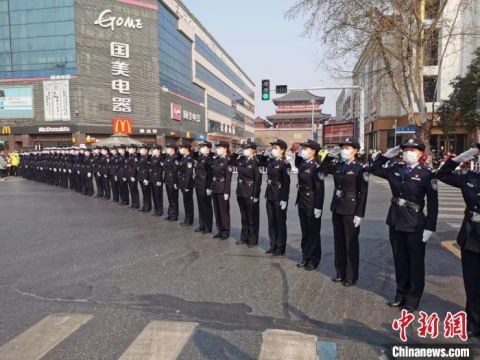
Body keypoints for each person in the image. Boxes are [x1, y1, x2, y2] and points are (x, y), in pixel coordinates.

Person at [370, 138, 438, 312]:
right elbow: (373, 168)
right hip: (395, 219)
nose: (408, 153)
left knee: (415, 262)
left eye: (412, 150)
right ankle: (400, 294)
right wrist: (385, 156)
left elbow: (433, 203)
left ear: (421, 154)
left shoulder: (427, 174)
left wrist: (430, 226)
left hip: (415, 223)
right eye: (405, 149)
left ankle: (413, 298)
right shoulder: (395, 170)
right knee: (399, 260)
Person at [437, 144, 480, 338]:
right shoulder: (470, 178)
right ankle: (473, 322)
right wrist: (458, 158)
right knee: (471, 283)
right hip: (471, 236)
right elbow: (442, 174)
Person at [320, 139, 369, 286]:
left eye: (347, 148)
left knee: (350, 243)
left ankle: (351, 275)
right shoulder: (339, 165)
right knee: (339, 242)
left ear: (355, 150)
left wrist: (360, 213)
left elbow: (363, 193)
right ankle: (340, 272)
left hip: (351, 209)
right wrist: (329, 156)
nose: (344, 151)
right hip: (337, 207)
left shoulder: (360, 168)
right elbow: (322, 170)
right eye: (343, 148)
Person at [295, 139, 325, 271]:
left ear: (313, 151)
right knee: (305, 232)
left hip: (312, 202)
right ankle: (305, 256)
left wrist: (318, 207)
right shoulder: (303, 164)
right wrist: (296, 152)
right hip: (302, 201)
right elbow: (297, 162)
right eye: (303, 148)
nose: (303, 150)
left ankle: (314, 259)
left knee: (313, 232)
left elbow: (320, 189)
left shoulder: (316, 167)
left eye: (306, 148)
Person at [262, 139, 291, 256]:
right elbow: (261, 162)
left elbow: (286, 184)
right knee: (271, 222)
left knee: (280, 222)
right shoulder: (271, 162)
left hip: (279, 195)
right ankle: (272, 245)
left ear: (282, 150)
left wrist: (284, 199)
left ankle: (280, 247)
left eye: (275, 148)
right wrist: (265, 153)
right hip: (270, 194)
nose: (273, 150)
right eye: (272, 148)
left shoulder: (285, 164)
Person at [232, 139, 262, 248]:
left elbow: (258, 181)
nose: (244, 150)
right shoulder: (241, 160)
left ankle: (252, 240)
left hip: (250, 192)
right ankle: (244, 237)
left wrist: (256, 195)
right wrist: (236, 151)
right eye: (243, 148)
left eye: (246, 148)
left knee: (252, 217)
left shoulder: (256, 162)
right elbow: (231, 160)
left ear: (253, 150)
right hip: (240, 191)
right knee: (244, 217)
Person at [211, 141, 233, 240]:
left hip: (222, 188)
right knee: (217, 211)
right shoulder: (217, 159)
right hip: (215, 187)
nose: (217, 149)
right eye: (217, 148)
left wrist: (226, 192)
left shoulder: (228, 161)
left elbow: (228, 178)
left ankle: (225, 231)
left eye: (219, 148)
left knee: (224, 212)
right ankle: (219, 230)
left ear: (225, 149)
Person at [193, 141, 214, 234]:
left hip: (205, 184)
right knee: (200, 206)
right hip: (198, 184)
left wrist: (209, 187)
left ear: (208, 148)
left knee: (207, 207)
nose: (201, 148)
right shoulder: (200, 157)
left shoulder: (210, 159)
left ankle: (207, 227)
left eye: (203, 147)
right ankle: (201, 225)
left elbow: (210, 174)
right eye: (201, 147)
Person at [178, 141, 195, 226]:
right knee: (185, 202)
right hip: (182, 182)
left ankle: (189, 220)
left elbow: (189, 174)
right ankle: (187, 218)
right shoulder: (183, 158)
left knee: (188, 202)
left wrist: (187, 185)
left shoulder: (189, 159)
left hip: (187, 184)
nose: (180, 150)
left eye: (182, 148)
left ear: (187, 149)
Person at [164, 143, 179, 221]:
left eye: (169, 148)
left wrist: (175, 182)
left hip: (172, 181)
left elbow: (175, 171)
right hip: (167, 180)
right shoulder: (167, 157)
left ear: (173, 149)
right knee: (170, 199)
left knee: (173, 199)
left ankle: (174, 215)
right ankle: (170, 214)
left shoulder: (175, 158)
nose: (167, 149)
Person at [149, 145, 164, 217]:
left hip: (157, 179)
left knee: (158, 196)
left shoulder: (161, 158)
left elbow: (160, 170)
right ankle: (156, 209)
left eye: (155, 149)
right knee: (154, 195)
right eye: (153, 149)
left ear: (159, 150)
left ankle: (159, 211)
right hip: (152, 179)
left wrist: (159, 180)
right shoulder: (153, 158)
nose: (154, 151)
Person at [137, 145, 152, 213]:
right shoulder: (142, 157)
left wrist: (146, 178)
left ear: (146, 150)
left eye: (142, 149)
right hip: (141, 177)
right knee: (144, 193)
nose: (140, 150)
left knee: (147, 193)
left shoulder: (148, 158)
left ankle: (148, 207)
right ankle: (144, 206)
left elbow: (148, 169)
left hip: (145, 178)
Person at [126, 144, 140, 209]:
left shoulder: (135, 157)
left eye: (131, 148)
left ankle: (136, 204)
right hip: (129, 175)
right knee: (131, 190)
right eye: (129, 148)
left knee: (134, 190)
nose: (129, 150)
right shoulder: (130, 156)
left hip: (133, 176)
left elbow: (135, 167)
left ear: (134, 149)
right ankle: (133, 203)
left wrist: (133, 176)